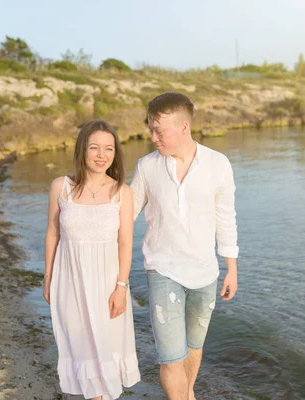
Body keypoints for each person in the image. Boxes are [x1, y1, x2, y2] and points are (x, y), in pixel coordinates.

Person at [131, 92, 239, 400]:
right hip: (162, 269)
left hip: (206, 274)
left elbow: (226, 217)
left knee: (193, 347)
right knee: (170, 356)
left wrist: (231, 268)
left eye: (159, 130)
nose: (153, 137)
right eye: (151, 129)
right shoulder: (147, 167)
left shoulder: (218, 164)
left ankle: (188, 394)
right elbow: (126, 213)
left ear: (183, 127)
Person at [43, 120, 141, 400]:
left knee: (105, 354)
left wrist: (121, 286)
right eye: (94, 148)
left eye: (108, 149)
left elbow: (125, 243)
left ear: (115, 153)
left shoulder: (122, 191)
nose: (101, 155)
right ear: (82, 150)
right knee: (82, 351)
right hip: (70, 282)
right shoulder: (61, 187)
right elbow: (52, 233)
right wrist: (48, 277)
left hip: (107, 285)